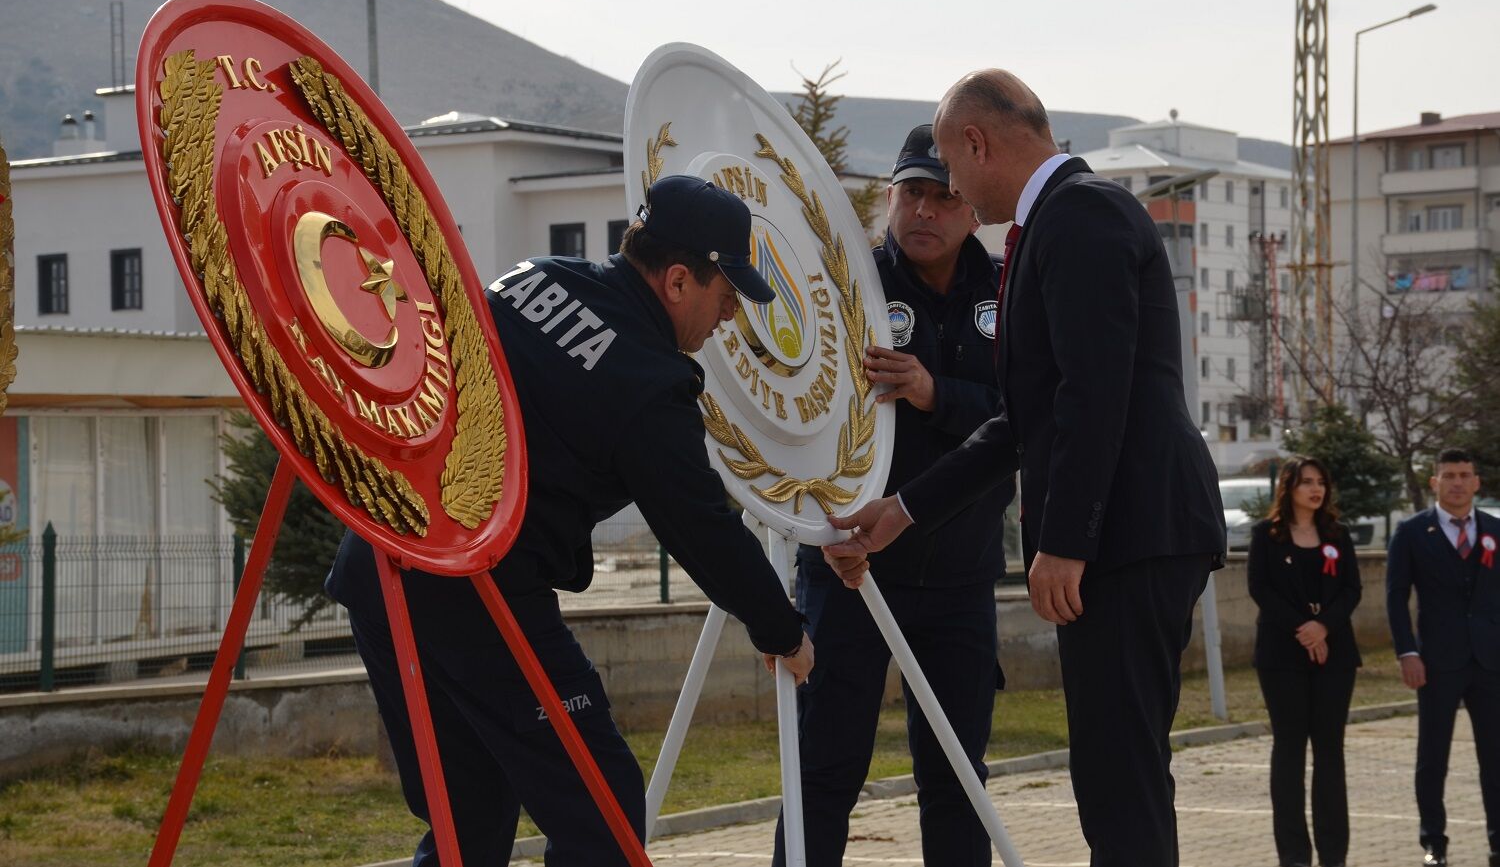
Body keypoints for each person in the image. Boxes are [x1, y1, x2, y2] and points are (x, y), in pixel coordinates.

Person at [325, 175, 814, 866]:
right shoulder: (648, 382)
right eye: (727, 295)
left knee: (468, 816)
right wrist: (782, 630)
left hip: (380, 563)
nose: (728, 317)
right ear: (679, 280)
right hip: (475, 596)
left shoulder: (533, 277)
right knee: (604, 810)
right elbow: (702, 527)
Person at [825, 69, 1226, 867]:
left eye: (950, 168)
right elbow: (1023, 417)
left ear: (976, 143)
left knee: (1120, 781)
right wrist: (902, 509)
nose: (953, 189)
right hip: (1125, 533)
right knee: (1114, 775)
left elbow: (1093, 391)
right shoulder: (1056, 223)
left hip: (1131, 535)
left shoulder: (1080, 214)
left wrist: (1065, 539)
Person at [772, 124, 1013, 867]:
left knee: (956, 776)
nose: (925, 211)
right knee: (823, 771)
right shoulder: (845, 286)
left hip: (961, 575)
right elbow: (799, 412)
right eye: (912, 193)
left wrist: (936, 393)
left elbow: (1032, 413)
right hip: (851, 569)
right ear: (889, 197)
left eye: (944, 196)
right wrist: (817, 531)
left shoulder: (1010, 288)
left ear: (972, 207)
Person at [1386, 447, 1500, 867]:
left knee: (1496, 759)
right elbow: (1396, 596)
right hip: (1436, 661)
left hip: (1491, 662)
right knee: (1433, 759)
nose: (1457, 483)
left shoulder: (1495, 529)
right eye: (1449, 475)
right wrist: (1407, 651)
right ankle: (1434, 842)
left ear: (1476, 482)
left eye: (1464, 475)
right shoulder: (1412, 532)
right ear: (1435, 482)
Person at [1248, 457, 1362, 867]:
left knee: (1330, 751)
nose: (1316, 489)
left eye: (1321, 482)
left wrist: (1323, 627)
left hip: (1335, 654)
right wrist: (1304, 629)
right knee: (1289, 749)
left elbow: (1351, 589)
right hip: (1282, 655)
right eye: (1306, 482)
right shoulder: (1267, 535)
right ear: (1288, 487)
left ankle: (1334, 854)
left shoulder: (1337, 534)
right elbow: (1259, 588)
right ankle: (1294, 854)